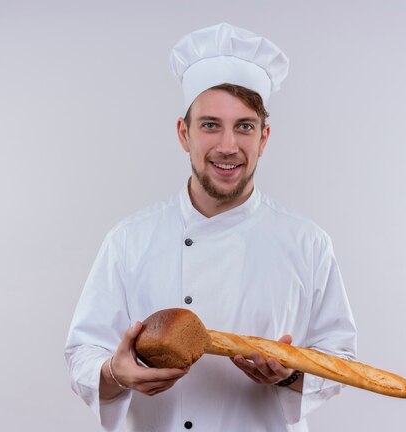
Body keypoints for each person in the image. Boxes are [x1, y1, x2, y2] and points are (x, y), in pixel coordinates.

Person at [65, 23, 357, 432]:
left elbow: (340, 359)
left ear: (264, 137)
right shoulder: (129, 240)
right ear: (184, 134)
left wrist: (291, 373)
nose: (227, 146)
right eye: (209, 125)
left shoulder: (307, 243)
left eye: (244, 126)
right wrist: (115, 372)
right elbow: (82, 352)